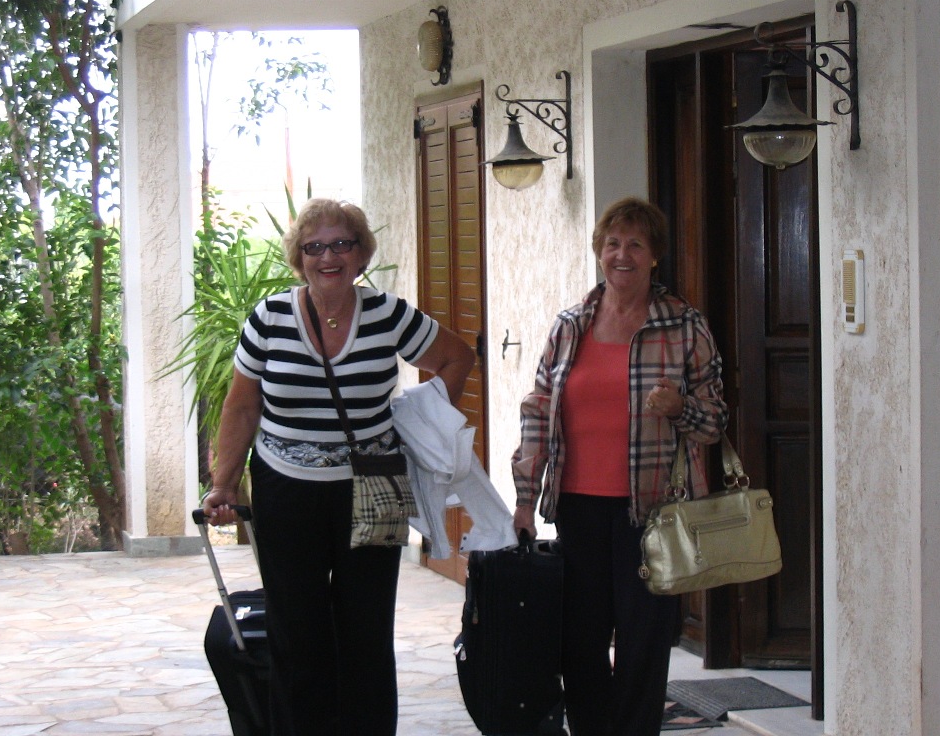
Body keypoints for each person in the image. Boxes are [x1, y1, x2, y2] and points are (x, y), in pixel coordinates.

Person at [203, 198, 475, 736]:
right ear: (299, 257)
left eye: (341, 244)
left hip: (373, 487)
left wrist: (426, 422)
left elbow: (456, 356)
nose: (328, 257)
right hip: (286, 489)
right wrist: (223, 484)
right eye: (315, 247)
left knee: (366, 632)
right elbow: (242, 405)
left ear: (361, 253)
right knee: (295, 631)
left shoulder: (388, 314)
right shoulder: (269, 318)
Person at [511, 196, 727, 736]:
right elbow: (538, 411)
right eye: (612, 243)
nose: (621, 254)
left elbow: (714, 422)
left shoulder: (684, 326)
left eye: (635, 244)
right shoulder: (570, 326)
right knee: (579, 642)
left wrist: (679, 407)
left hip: (654, 515)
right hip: (577, 509)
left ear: (655, 256)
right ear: (599, 251)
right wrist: (524, 498)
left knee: (643, 642)